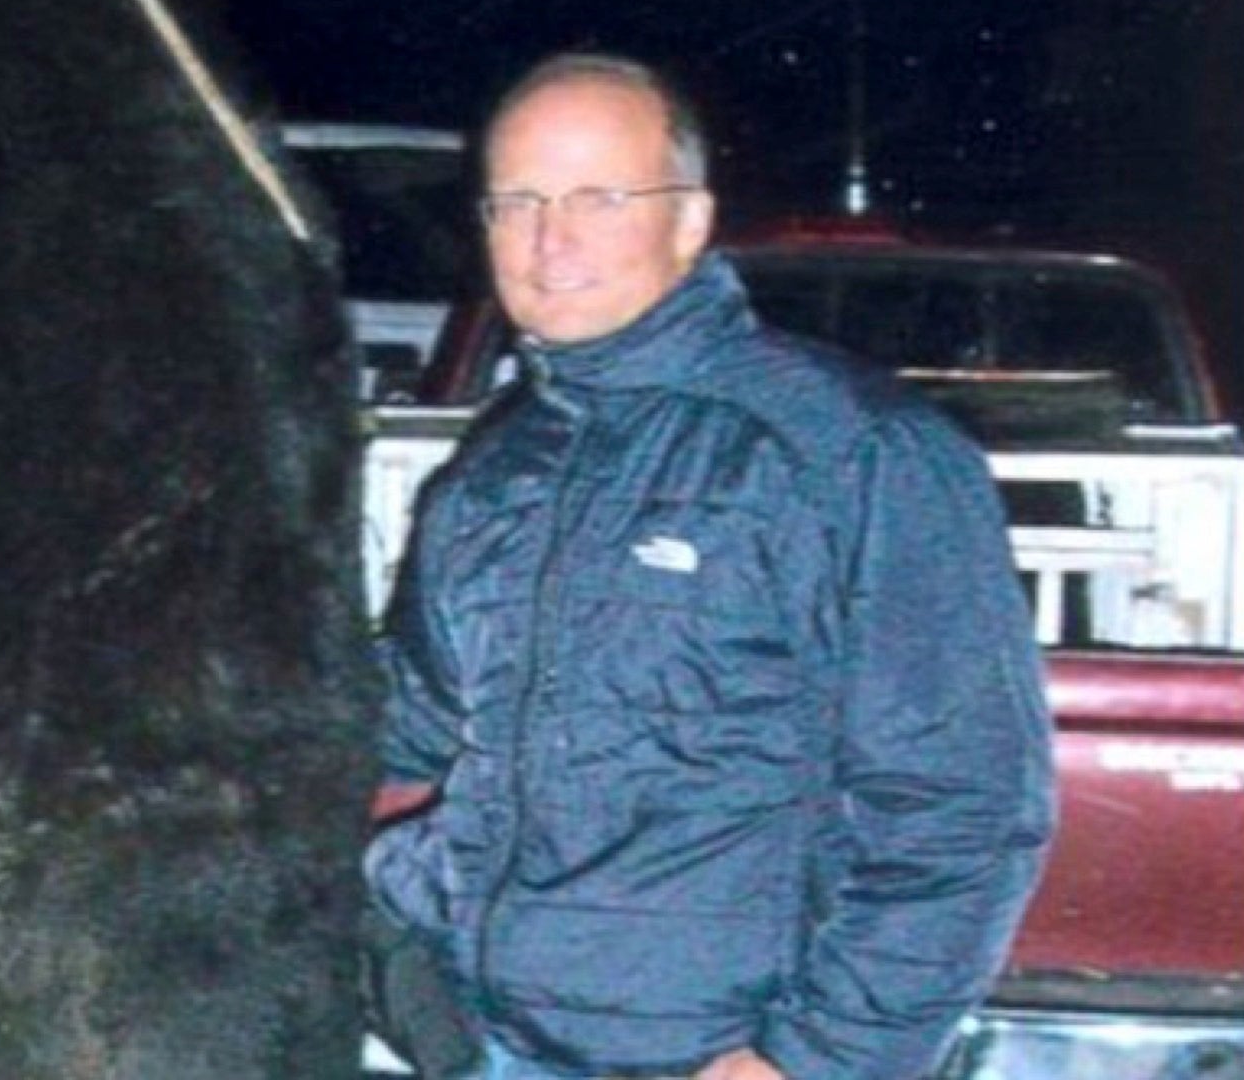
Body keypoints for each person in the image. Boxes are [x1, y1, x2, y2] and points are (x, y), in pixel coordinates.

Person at [365, 53, 1056, 1080]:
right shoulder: (494, 469)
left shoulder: (847, 451)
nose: (549, 242)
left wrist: (817, 1058)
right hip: (479, 1031)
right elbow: (407, 714)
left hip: (707, 1056)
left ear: (688, 220)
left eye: (597, 198)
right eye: (515, 203)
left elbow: (963, 805)